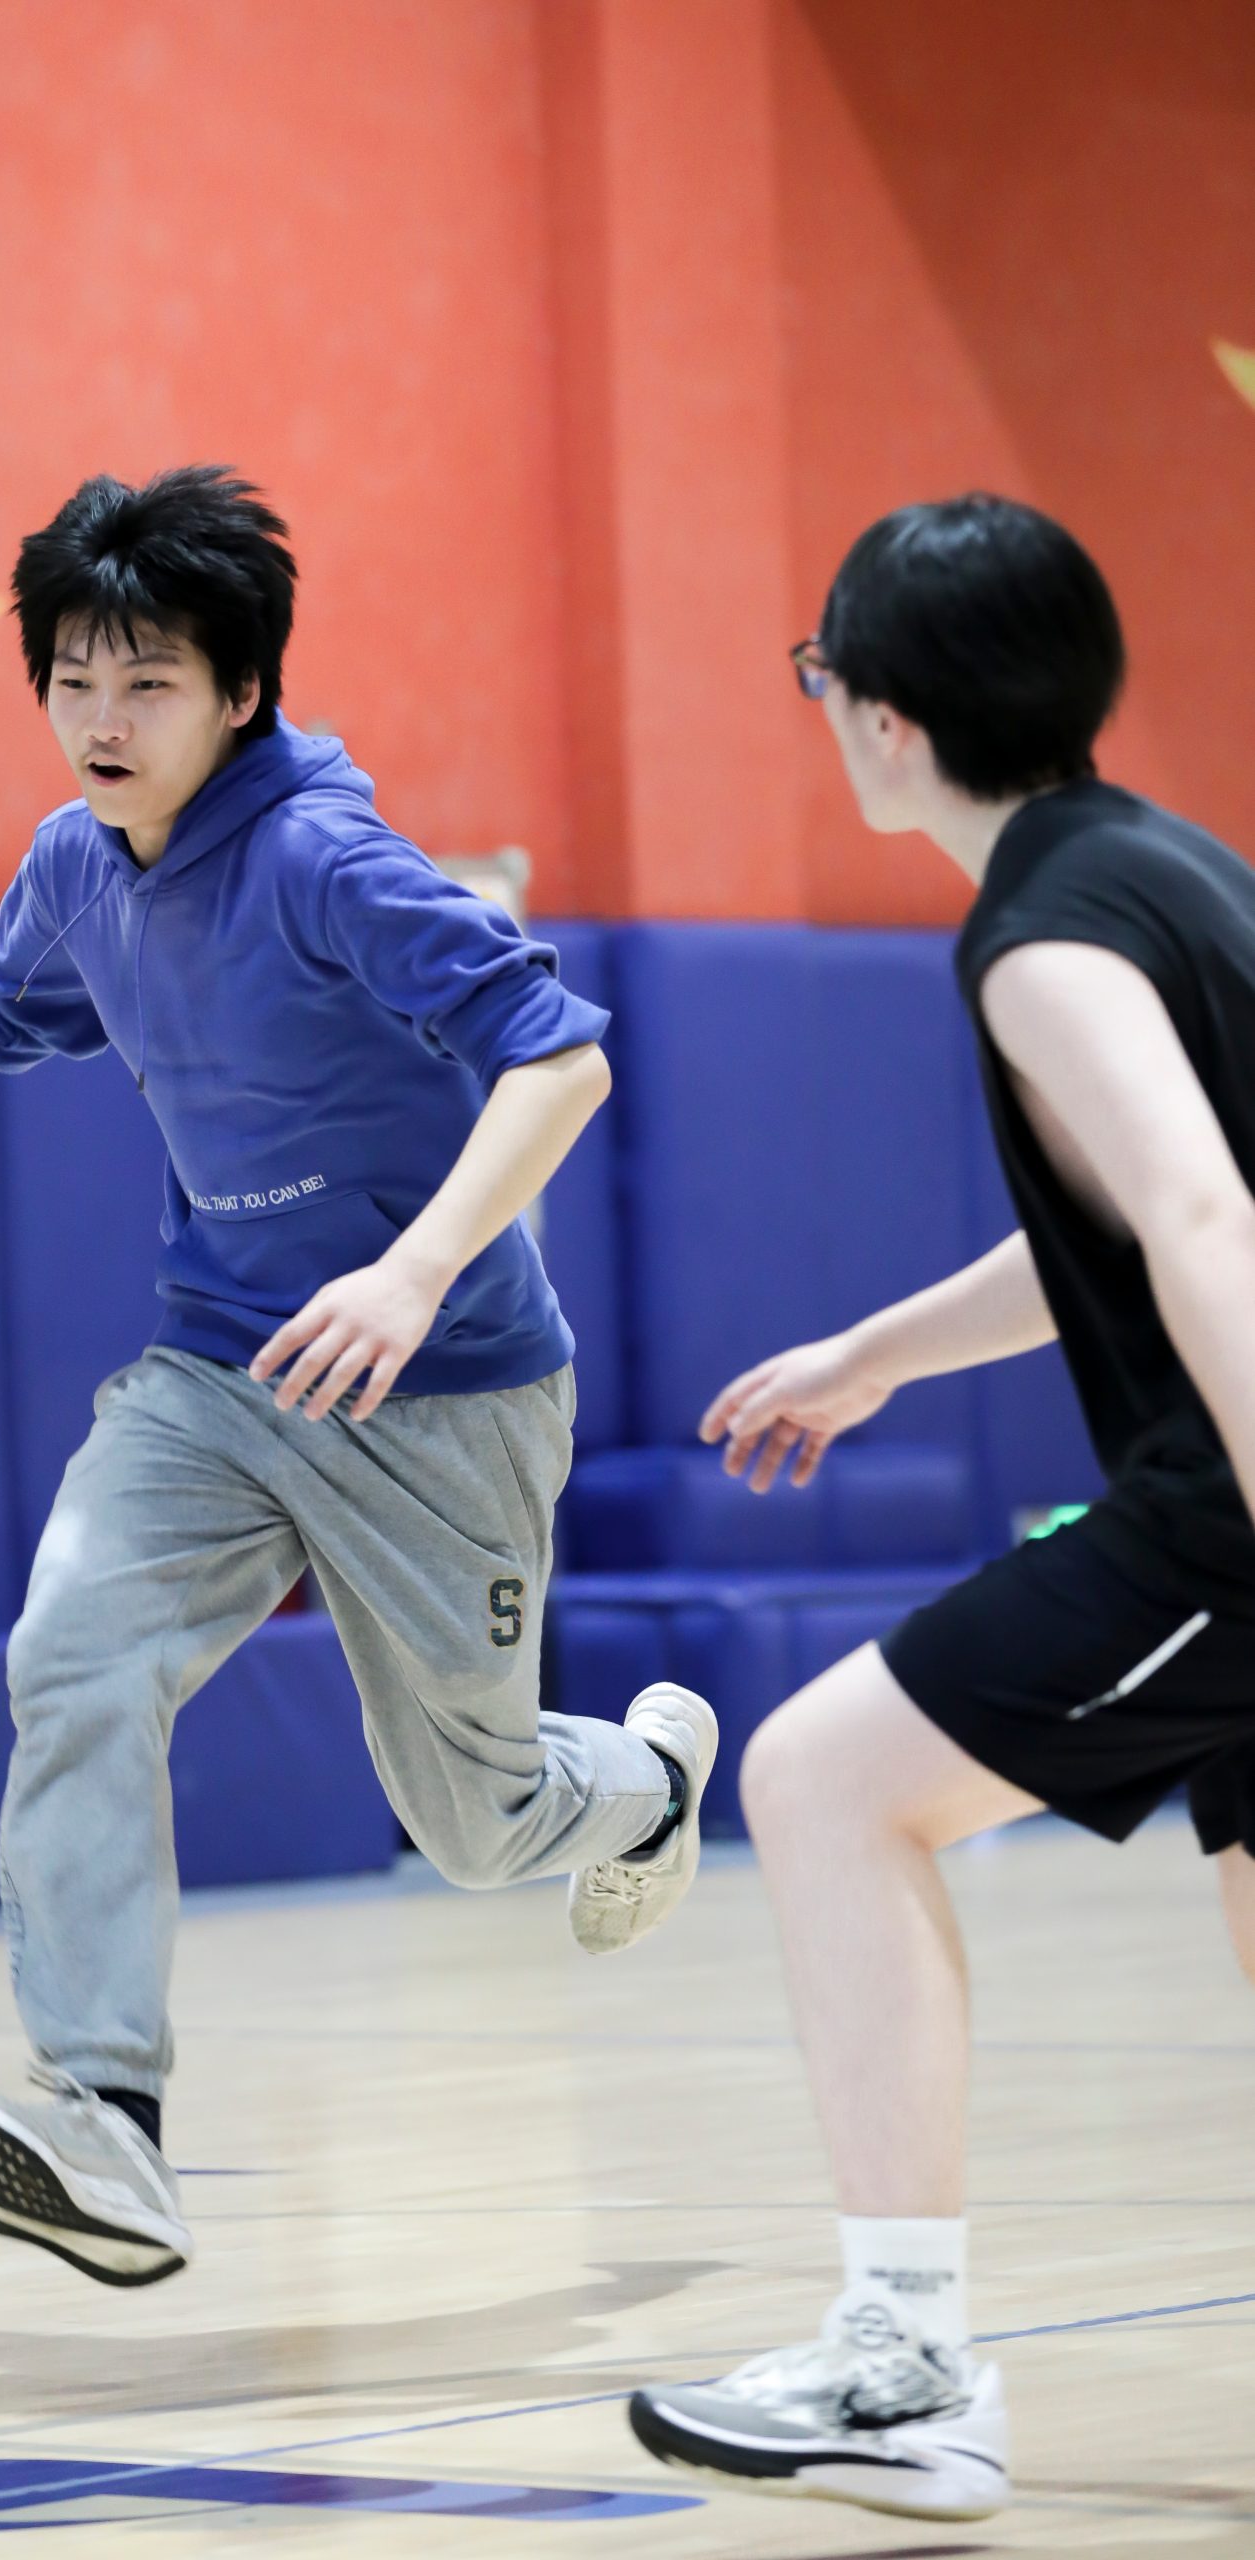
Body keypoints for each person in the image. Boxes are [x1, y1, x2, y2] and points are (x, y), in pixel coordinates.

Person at [0, 463, 719, 2287]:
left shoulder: (325, 860)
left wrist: (412, 1271)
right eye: (72, 678)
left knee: (472, 1827)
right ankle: (105, 2119)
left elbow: (560, 1061)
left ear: (240, 692)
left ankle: (641, 1784)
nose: (102, 718)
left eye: (147, 681)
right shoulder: (79, 862)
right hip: (222, 1372)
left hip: (442, 1389)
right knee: (72, 1652)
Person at [628, 495, 1255, 2521]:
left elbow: (1198, 1214)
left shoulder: (1039, 933)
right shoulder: (1165, 863)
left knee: (823, 1781)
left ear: (882, 718)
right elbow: (1128, 1213)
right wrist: (878, 1352)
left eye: (816, 676)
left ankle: (899, 2367)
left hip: (1227, 1505)